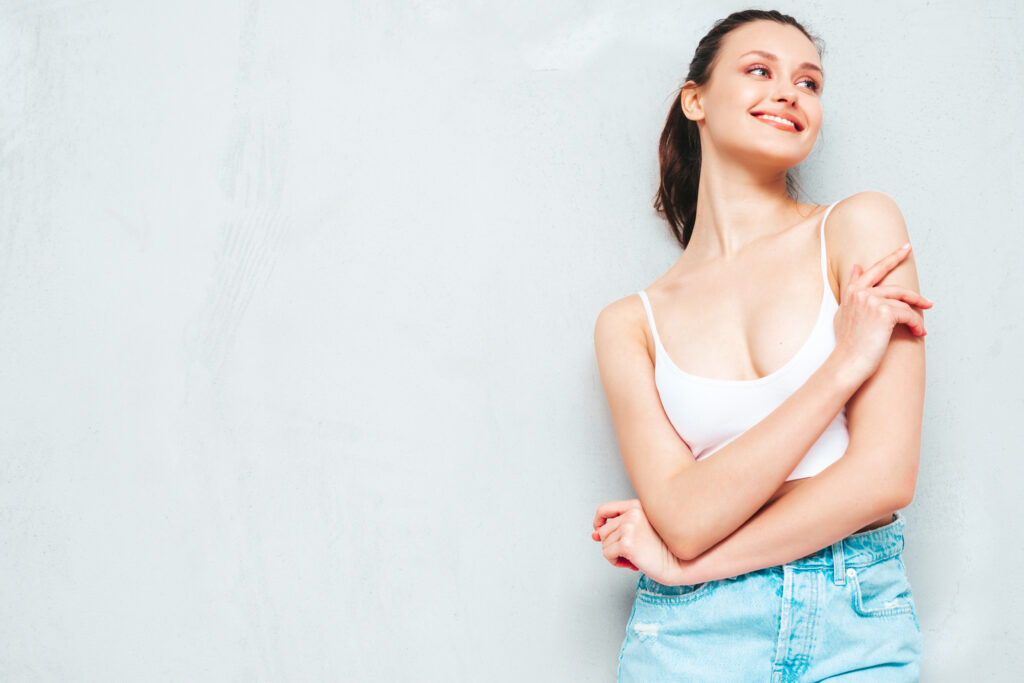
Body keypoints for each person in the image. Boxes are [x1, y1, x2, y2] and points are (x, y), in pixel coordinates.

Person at [589, 9, 932, 681]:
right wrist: (840, 369)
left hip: (853, 621)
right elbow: (684, 516)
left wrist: (688, 564)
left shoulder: (860, 227)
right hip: (689, 639)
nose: (789, 93)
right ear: (697, 100)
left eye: (809, 83)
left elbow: (884, 477)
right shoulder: (629, 323)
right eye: (759, 71)